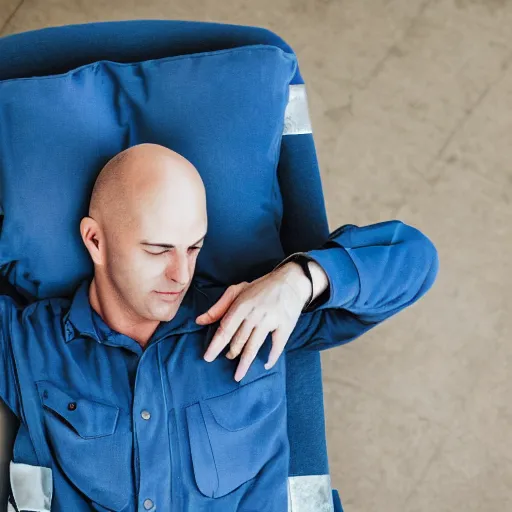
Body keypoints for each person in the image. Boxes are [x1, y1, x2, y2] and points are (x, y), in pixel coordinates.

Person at [0, 143, 439, 511]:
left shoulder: (251, 317)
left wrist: (298, 280)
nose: (181, 274)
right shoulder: (28, 343)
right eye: (157, 250)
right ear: (95, 240)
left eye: (194, 247)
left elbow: (414, 260)